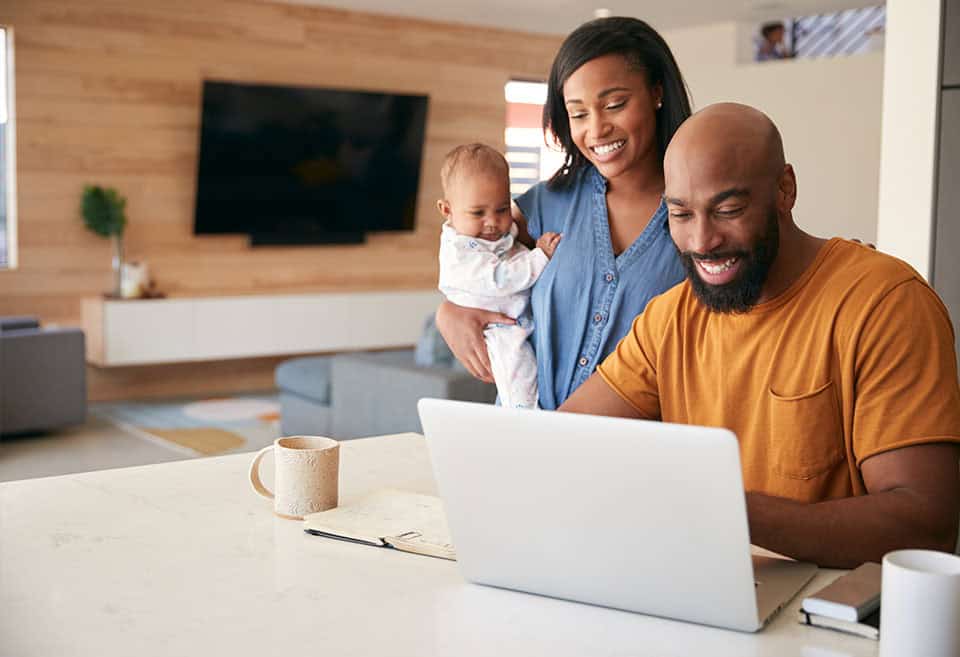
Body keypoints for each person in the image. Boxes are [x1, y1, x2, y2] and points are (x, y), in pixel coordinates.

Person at [561, 102, 960, 568]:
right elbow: (563, 444)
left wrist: (729, 510)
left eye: (728, 210)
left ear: (785, 190)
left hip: (828, 623)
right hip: (703, 595)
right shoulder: (668, 319)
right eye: (681, 215)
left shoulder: (884, 303)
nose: (702, 241)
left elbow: (925, 525)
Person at [436, 17, 692, 410]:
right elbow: (473, 261)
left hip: (637, 451)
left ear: (657, 92)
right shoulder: (544, 205)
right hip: (532, 440)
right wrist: (449, 311)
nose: (597, 129)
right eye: (578, 114)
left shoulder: (698, 216)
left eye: (614, 104)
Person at [436, 144, 561, 408]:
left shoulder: (488, 235)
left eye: (502, 209)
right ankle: (523, 416)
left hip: (513, 319)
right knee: (520, 376)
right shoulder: (460, 252)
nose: (492, 222)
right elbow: (501, 279)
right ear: (447, 210)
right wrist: (540, 256)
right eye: (478, 213)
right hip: (497, 330)